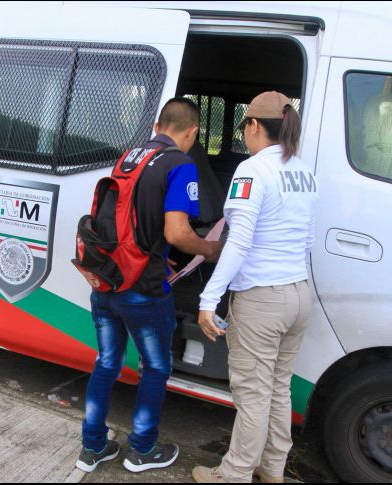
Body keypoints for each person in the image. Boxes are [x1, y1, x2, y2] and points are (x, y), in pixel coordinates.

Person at [76, 97, 222, 474]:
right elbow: (177, 230)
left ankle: (92, 447)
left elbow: (129, 218)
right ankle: (142, 449)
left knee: (106, 361)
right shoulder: (180, 163)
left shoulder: (129, 156)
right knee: (155, 367)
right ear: (191, 133)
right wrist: (208, 249)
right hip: (143, 288)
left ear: (158, 126)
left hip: (107, 279)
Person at [191, 92, 318, 483]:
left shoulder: (251, 170)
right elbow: (308, 239)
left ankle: (233, 475)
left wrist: (208, 299)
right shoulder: (303, 171)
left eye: (244, 125)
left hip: (262, 300)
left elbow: (239, 242)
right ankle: (272, 469)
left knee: (253, 396)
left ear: (254, 126)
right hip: (298, 293)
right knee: (278, 388)